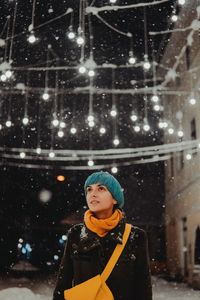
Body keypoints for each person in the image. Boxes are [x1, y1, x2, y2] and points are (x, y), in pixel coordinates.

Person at [53, 171, 152, 300]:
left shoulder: (135, 236)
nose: (93, 194)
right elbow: (63, 283)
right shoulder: (76, 234)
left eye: (101, 188)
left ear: (115, 199)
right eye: (89, 190)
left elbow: (143, 287)